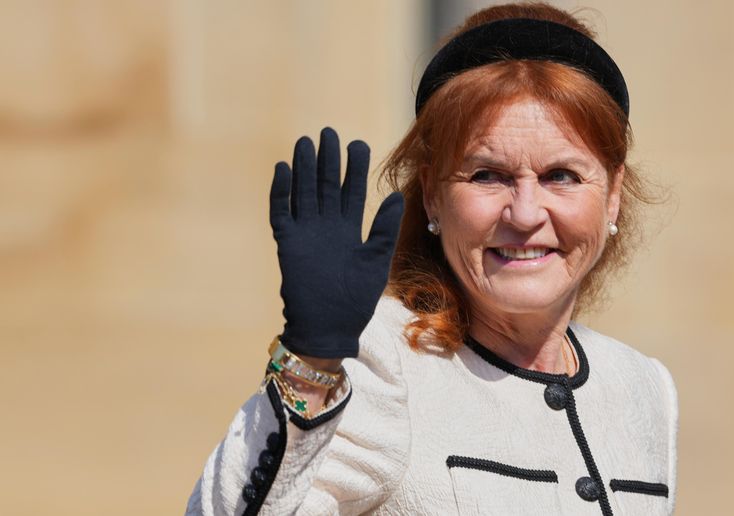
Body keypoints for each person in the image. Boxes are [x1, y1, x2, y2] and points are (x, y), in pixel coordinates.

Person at [186, 3, 677, 515]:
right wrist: (309, 365)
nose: (526, 213)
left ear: (612, 195)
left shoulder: (645, 388)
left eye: (562, 176)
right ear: (433, 195)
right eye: (487, 176)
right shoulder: (381, 361)